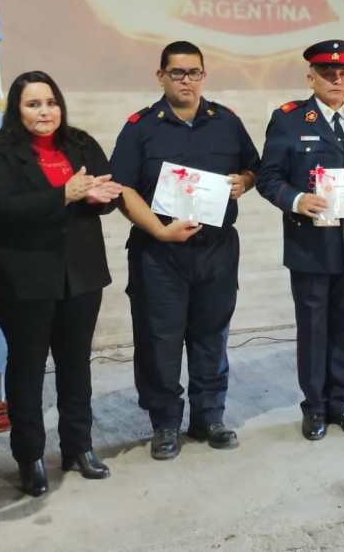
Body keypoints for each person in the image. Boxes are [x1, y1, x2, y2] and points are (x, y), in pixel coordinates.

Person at [110, 41, 260, 460]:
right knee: (159, 340)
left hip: (216, 250)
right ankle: (164, 424)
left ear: (203, 76)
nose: (186, 80)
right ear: (161, 76)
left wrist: (243, 182)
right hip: (159, 254)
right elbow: (122, 189)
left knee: (212, 335)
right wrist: (160, 232)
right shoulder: (140, 127)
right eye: (177, 72)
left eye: (194, 72)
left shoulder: (226, 121)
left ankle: (209, 417)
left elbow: (253, 167)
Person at [0, 71, 122, 496]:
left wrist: (99, 197)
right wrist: (64, 194)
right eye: (33, 104)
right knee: (27, 368)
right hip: (23, 277)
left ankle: (79, 447)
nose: (45, 112)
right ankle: (30, 457)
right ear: (17, 109)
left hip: (81, 273)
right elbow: (1, 208)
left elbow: (105, 192)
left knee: (76, 364)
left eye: (51, 102)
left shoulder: (80, 143)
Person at [257, 40, 344, 440]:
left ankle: (341, 402)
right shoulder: (289, 119)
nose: (336, 79)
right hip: (310, 245)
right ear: (311, 78)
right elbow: (268, 178)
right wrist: (297, 200)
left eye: (342, 73)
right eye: (327, 73)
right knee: (314, 328)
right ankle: (315, 406)